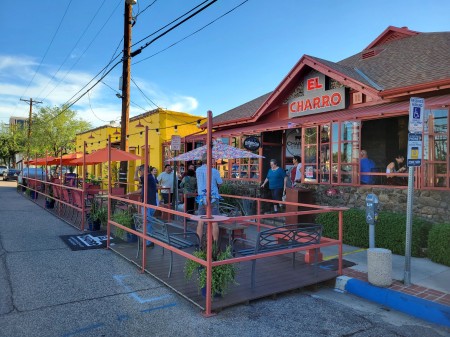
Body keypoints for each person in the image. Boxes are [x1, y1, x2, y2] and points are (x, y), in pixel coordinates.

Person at [196, 153, 223, 244]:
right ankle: (214, 244)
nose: (214, 160)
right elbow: (220, 183)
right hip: (213, 197)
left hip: (201, 197)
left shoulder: (198, 170)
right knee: (214, 221)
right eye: (213, 159)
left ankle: (199, 243)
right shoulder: (214, 171)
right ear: (209, 160)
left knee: (200, 220)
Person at [135, 164, 157, 247]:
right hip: (150, 203)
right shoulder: (149, 177)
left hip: (148, 204)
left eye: (140, 171)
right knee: (148, 222)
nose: (140, 173)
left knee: (147, 222)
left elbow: (135, 178)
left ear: (144, 170)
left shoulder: (147, 177)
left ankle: (148, 242)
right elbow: (142, 189)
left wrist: (136, 170)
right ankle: (148, 240)